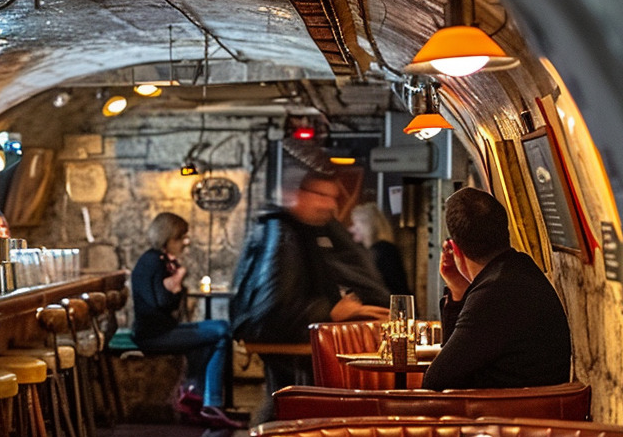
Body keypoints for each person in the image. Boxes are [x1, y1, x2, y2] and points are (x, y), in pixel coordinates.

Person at [229, 170, 390, 422]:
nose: (330, 205)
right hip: (288, 342)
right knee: (288, 406)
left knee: (289, 405)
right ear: (299, 195)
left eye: (333, 198)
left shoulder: (309, 232)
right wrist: (332, 311)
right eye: (322, 196)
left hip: (301, 339)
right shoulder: (282, 234)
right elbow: (271, 312)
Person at [421, 187, 572, 390]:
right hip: (537, 415)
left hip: (504, 417)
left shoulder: (494, 293)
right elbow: (452, 367)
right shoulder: (520, 269)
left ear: (455, 248)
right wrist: (458, 290)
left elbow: (436, 382)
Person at [131, 212, 244, 429]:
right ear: (168, 238)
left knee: (216, 335)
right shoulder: (152, 261)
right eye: (181, 238)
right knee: (221, 331)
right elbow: (162, 302)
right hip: (153, 335)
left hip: (164, 330)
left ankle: (198, 397)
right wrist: (179, 276)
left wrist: (176, 281)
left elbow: (169, 302)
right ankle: (207, 401)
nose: (186, 242)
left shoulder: (160, 260)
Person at [349, 202, 411, 296]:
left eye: (355, 224)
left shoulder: (382, 250)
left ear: (366, 226)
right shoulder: (384, 248)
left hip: (387, 307)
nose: (351, 229)